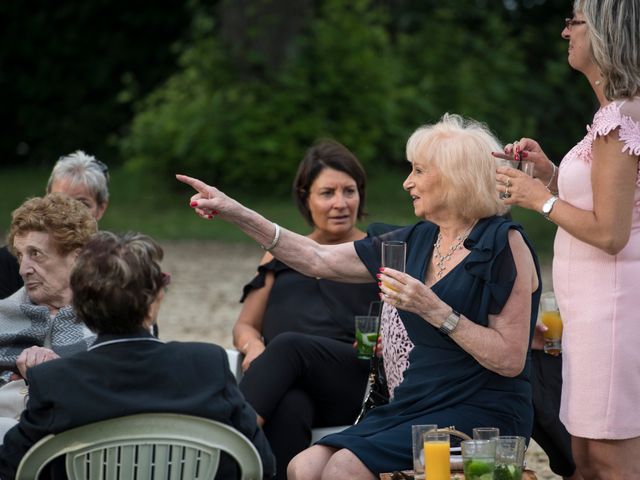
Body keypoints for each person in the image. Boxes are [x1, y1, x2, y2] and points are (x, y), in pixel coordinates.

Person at [177, 112, 542, 478]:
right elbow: (315, 257)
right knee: (303, 466)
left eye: (417, 171)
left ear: (452, 178)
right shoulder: (415, 239)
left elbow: (510, 360)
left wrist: (434, 310)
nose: (406, 183)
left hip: (479, 410)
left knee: (343, 468)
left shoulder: (503, 244)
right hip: (414, 405)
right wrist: (235, 212)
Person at [492, 1, 640, 478]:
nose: (563, 33)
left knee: (610, 458)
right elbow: (606, 202)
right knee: (585, 456)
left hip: (614, 310)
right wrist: (552, 176)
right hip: (592, 312)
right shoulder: (611, 115)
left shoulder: (620, 120)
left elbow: (611, 233)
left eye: (573, 21)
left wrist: (539, 200)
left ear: (603, 31)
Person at [0, 231, 276, 480]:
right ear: (154, 304)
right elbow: (261, 463)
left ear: (80, 310)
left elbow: (13, 465)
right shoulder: (208, 365)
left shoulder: (53, 381)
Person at [233, 140, 379, 479]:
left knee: (288, 345)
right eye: (327, 193)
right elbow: (245, 325)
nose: (341, 203)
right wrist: (253, 346)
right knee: (289, 406)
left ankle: (226, 445)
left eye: (350, 191)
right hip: (286, 381)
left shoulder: (375, 252)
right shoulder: (278, 255)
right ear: (305, 197)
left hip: (353, 380)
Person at [0, 194, 97, 436]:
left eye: (36, 254)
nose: (23, 269)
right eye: (20, 255)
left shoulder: (113, 318)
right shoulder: (3, 314)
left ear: (77, 256)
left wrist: (59, 373)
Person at [0, 150, 109, 299]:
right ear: (46, 198)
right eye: (59, 200)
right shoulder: (8, 263)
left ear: (101, 209)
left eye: (82, 204)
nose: (70, 212)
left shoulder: (115, 266)